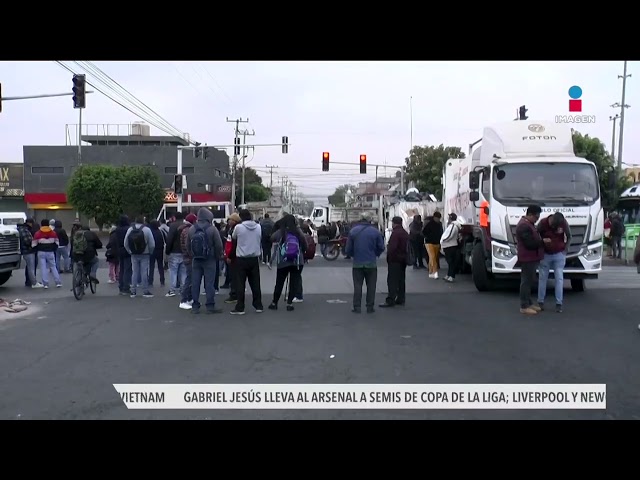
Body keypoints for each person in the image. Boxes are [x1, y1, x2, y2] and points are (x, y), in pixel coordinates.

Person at [345, 212, 385, 314]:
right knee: (371, 286)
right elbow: (381, 247)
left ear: (360, 219)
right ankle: (370, 307)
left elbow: (348, 249)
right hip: (371, 263)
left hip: (357, 263)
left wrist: (354, 255)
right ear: (370, 220)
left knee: (357, 286)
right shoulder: (375, 232)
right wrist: (375, 254)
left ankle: (357, 307)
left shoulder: (353, 231)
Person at [268, 214, 307, 311]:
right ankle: (289, 303)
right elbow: (305, 244)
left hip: (283, 261)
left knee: (279, 282)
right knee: (294, 282)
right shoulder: (298, 231)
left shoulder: (281, 232)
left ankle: (274, 302)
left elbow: (271, 238)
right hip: (297, 261)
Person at [187, 208, 223, 314]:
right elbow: (219, 245)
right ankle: (210, 305)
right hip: (209, 259)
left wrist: (192, 255)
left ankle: (195, 305)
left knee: (195, 283)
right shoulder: (212, 229)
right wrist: (217, 256)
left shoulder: (192, 229)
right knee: (209, 283)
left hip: (196, 260)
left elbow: (187, 244)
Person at [537, 211, 571, 313]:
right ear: (551, 219)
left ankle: (559, 303)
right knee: (543, 278)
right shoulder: (542, 223)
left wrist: (565, 250)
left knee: (559, 279)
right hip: (546, 254)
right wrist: (542, 240)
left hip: (559, 254)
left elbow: (569, 236)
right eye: (553, 226)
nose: (554, 228)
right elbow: (536, 234)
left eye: (556, 227)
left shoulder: (563, 222)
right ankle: (540, 301)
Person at [231, 209, 263, 315]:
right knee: (255, 283)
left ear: (241, 217)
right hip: (254, 258)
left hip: (241, 258)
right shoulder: (258, 227)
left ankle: (240, 307)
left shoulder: (238, 227)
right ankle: (258, 305)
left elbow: (233, 237)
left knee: (240, 283)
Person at [515, 205, 545, 315]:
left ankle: (529, 302)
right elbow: (529, 244)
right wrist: (543, 242)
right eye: (536, 216)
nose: (537, 219)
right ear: (530, 214)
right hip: (527, 257)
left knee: (530, 280)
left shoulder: (529, 224)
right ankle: (524, 305)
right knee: (526, 281)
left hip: (532, 257)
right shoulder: (524, 226)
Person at [379, 216, 409, 308]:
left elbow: (392, 248)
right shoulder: (404, 233)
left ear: (394, 223)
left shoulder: (395, 233)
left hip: (395, 260)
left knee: (392, 280)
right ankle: (401, 298)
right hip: (403, 259)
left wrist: (389, 255)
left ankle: (390, 299)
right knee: (401, 280)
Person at [124, 215, 155, 298]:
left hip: (133, 254)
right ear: (143, 221)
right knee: (144, 272)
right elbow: (152, 244)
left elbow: (125, 242)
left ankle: (133, 291)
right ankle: (145, 291)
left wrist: (130, 251)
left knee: (134, 272)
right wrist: (150, 252)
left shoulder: (130, 229)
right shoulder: (147, 230)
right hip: (145, 254)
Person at [32, 218, 62, 289]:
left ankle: (45, 284)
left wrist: (37, 249)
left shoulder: (38, 233)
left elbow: (33, 244)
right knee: (53, 267)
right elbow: (57, 242)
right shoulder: (53, 233)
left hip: (41, 252)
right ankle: (58, 282)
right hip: (50, 252)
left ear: (41, 224)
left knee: (43, 268)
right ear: (48, 224)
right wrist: (53, 248)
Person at [164, 211, 186, 297]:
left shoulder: (173, 226)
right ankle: (183, 289)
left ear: (175, 217)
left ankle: (172, 290)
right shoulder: (186, 226)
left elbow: (169, 239)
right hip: (184, 252)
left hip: (174, 252)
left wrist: (167, 251)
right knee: (183, 272)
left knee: (173, 271)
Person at [178, 213, 197, 309]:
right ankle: (184, 300)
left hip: (186, 257)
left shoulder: (184, 229)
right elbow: (188, 245)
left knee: (190, 279)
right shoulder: (188, 230)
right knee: (189, 279)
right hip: (189, 258)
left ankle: (189, 298)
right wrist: (193, 254)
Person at [19, 217, 43, 288]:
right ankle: (34, 283)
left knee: (29, 267)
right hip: (29, 251)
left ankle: (30, 281)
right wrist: (34, 244)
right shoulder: (25, 230)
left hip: (26, 251)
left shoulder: (22, 229)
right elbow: (28, 241)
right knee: (31, 268)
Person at [440, 213, 462, 283]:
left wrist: (443, 240)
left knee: (451, 262)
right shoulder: (453, 225)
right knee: (450, 262)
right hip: (450, 245)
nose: (448, 219)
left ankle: (451, 276)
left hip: (449, 246)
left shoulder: (453, 226)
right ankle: (449, 275)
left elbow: (450, 235)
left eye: (449, 217)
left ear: (451, 218)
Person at [115, 215, 133, 296]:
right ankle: (126, 287)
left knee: (121, 269)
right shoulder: (128, 229)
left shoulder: (117, 229)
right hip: (127, 250)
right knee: (127, 269)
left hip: (119, 250)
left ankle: (121, 286)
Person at [423, 211, 443, 278]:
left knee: (433, 257)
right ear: (434, 217)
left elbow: (441, 232)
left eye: (439, 218)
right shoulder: (429, 223)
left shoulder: (440, 224)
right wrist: (428, 236)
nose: (438, 220)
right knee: (432, 257)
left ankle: (430, 271)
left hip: (437, 242)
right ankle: (435, 272)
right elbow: (423, 232)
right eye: (437, 218)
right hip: (429, 242)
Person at [148, 220, 166, 287]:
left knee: (151, 266)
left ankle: (150, 281)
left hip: (152, 251)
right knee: (160, 266)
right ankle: (162, 281)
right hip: (160, 250)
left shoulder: (150, 232)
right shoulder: (160, 232)